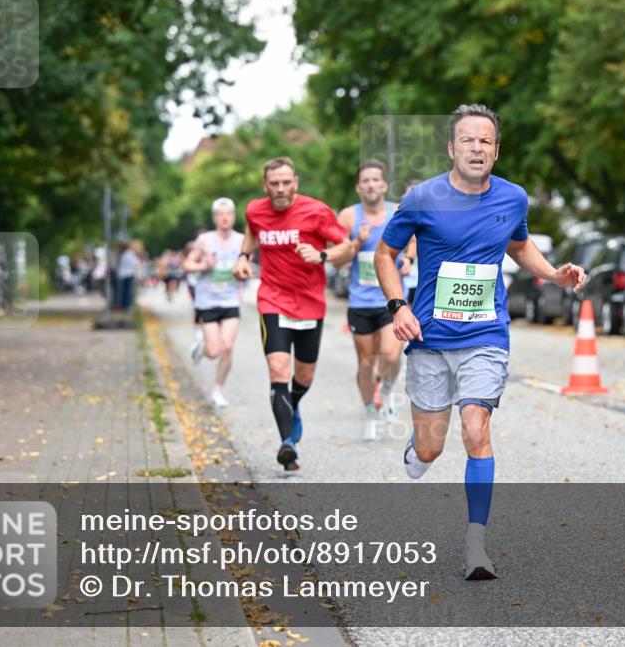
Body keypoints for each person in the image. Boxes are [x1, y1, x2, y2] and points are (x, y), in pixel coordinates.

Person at [374, 104, 587, 581]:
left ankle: (476, 544)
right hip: (430, 336)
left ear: (496, 150)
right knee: (430, 449)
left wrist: (554, 274)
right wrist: (398, 307)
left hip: (485, 334)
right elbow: (385, 254)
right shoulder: (422, 198)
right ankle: (419, 448)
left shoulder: (513, 197)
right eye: (467, 140)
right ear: (452, 148)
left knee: (475, 428)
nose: (476, 148)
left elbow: (518, 244)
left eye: (485, 141)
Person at [233, 157, 354, 471]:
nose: (281, 188)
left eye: (286, 182)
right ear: (265, 186)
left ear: (296, 183)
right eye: (274, 183)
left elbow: (347, 246)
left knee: (305, 376)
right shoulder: (255, 210)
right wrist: (244, 256)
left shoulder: (317, 211)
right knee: (277, 368)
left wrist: (322, 255)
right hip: (272, 299)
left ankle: (293, 404)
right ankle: (288, 445)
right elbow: (252, 230)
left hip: (310, 302)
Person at [335, 160, 413, 440]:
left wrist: (409, 258)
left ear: (384, 185)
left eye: (375, 180)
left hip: (391, 299)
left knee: (391, 355)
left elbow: (414, 239)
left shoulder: (398, 211)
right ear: (359, 187)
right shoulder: (348, 217)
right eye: (365, 181)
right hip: (360, 302)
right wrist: (357, 243)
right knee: (366, 363)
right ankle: (370, 410)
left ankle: (387, 390)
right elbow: (337, 259)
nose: (371, 185)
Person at [184, 198, 245, 408]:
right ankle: (200, 350)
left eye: (228, 213)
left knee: (227, 347)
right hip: (207, 301)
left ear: (234, 216)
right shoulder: (204, 240)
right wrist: (203, 266)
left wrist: (244, 273)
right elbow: (187, 264)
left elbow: (246, 265)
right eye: (220, 214)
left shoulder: (241, 240)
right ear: (214, 218)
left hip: (230, 300)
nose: (224, 218)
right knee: (213, 351)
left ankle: (217, 390)